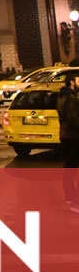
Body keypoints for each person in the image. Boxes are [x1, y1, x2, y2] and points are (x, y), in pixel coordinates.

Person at [57, 72, 79, 205]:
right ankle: (73, 198)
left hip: (65, 134)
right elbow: (73, 118)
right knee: (72, 165)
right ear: (72, 82)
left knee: (70, 166)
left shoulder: (62, 95)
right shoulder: (71, 97)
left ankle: (69, 195)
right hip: (73, 135)